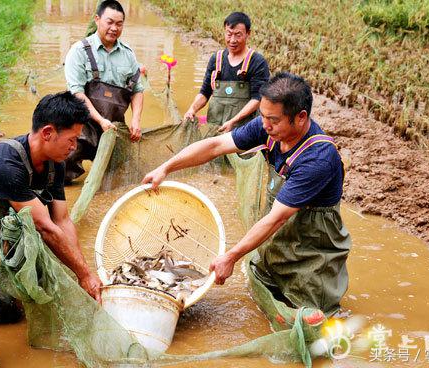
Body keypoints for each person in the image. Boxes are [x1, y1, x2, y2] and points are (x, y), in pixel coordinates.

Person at [144, 72, 351, 315]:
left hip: (313, 253)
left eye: (273, 119)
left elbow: (277, 218)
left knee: (313, 321)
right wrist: (165, 168)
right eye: (262, 116)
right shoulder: (268, 128)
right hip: (278, 241)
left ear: (301, 117)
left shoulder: (317, 159)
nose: (265, 125)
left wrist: (230, 256)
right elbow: (215, 146)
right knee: (263, 300)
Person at [0, 92, 103, 323]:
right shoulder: (4, 163)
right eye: (72, 139)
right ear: (48, 133)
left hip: (12, 240)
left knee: (56, 281)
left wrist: (83, 272)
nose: (74, 147)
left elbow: (62, 221)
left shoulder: (54, 163)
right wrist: (84, 275)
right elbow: (45, 228)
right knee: (6, 309)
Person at [64, 0, 144, 183]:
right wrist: (100, 120)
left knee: (119, 178)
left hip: (114, 127)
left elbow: (137, 90)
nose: (114, 28)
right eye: (109, 22)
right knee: (62, 170)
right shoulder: (79, 51)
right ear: (97, 20)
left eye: (119, 23)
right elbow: (76, 93)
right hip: (82, 125)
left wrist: (136, 120)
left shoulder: (128, 54)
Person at [183, 12, 270, 133]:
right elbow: (205, 92)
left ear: (248, 34)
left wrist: (233, 121)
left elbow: (257, 99)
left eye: (238, 35)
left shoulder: (257, 62)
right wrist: (192, 109)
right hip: (215, 128)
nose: (232, 40)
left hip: (243, 130)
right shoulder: (216, 59)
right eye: (229, 34)